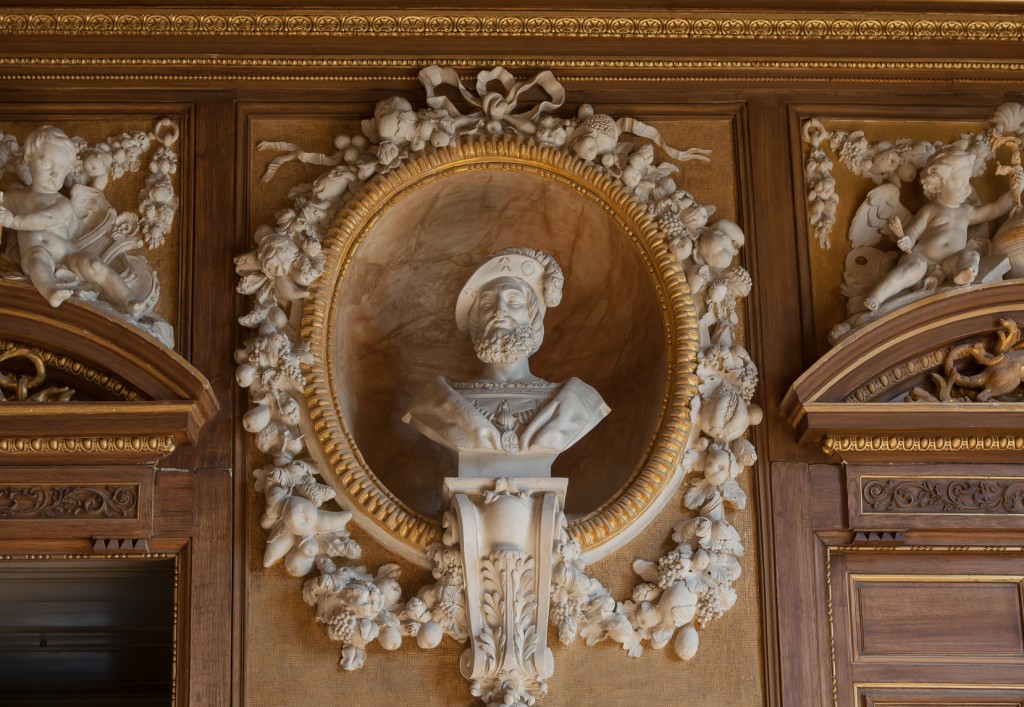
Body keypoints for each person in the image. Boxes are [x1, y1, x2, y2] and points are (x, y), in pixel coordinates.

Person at [403, 248, 610, 478]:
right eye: (487, 303)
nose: (499, 311)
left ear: (532, 320)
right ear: (476, 323)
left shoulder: (575, 401)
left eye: (513, 301)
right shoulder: (440, 400)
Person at [0, 126, 145, 314]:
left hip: (67, 254)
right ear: (29, 159)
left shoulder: (63, 203)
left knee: (94, 266)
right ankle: (51, 291)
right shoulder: (15, 196)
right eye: (47, 164)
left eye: (61, 170)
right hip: (35, 252)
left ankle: (128, 300)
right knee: (36, 261)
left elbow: (47, 218)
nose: (54, 174)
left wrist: (14, 222)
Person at [864, 146, 1016, 312]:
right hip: (922, 258)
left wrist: (1015, 190)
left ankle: (964, 274)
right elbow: (914, 230)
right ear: (937, 185)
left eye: (968, 181)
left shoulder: (966, 212)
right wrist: (908, 239)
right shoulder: (930, 210)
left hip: (947, 265)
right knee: (913, 269)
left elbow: (995, 209)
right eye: (961, 181)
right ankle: (877, 296)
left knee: (971, 255)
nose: (968, 187)